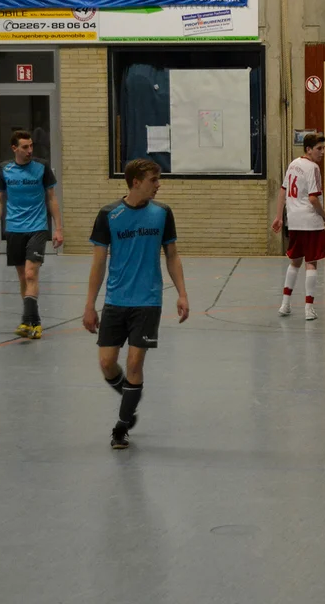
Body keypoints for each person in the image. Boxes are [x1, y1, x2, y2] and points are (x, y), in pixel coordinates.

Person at [83, 159, 190, 449]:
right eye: (153, 180)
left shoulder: (162, 213)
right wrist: (90, 305)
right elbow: (98, 264)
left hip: (148, 301)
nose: (158, 185)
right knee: (107, 363)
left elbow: (172, 255)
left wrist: (182, 293)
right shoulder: (108, 215)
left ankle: (121, 426)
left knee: (134, 363)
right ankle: (131, 398)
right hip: (116, 300)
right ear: (136, 182)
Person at [0, 130, 63, 339]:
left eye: (31, 146)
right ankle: (34, 322)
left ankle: (26, 320)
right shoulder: (4, 169)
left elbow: (52, 198)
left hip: (37, 227)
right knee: (23, 277)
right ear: (14, 148)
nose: (30, 150)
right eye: (25, 147)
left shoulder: (42, 167)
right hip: (14, 229)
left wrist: (58, 228)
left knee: (31, 274)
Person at [272, 133, 325, 321]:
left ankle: (285, 304)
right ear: (308, 149)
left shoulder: (293, 164)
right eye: (319, 148)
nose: (322, 152)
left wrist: (279, 217)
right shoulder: (313, 168)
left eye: (323, 148)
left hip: (294, 221)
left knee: (295, 262)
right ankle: (308, 308)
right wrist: (324, 216)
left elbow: (283, 191)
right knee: (311, 263)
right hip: (310, 222)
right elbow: (313, 198)